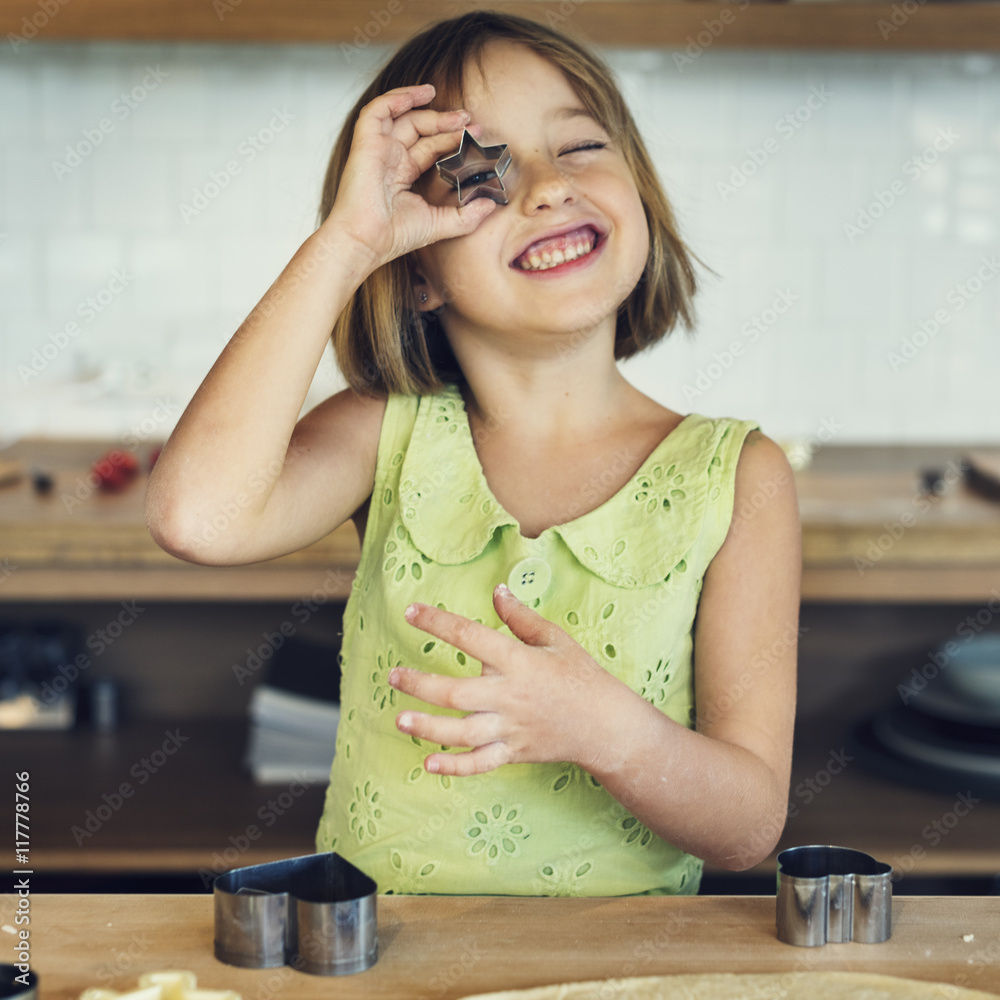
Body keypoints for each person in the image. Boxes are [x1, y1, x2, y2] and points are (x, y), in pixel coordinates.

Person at [145, 10, 801, 897]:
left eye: (577, 148)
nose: (543, 187)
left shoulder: (737, 479)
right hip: (378, 965)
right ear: (416, 265)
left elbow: (748, 828)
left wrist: (609, 732)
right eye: (479, 174)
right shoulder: (386, 427)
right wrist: (345, 246)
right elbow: (196, 518)